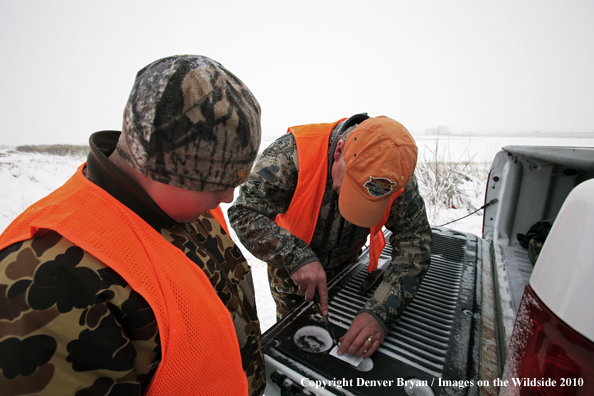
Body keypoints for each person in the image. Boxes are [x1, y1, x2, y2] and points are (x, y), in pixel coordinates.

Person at [0, 55, 265, 395]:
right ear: (163, 167)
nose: (228, 196)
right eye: (217, 183)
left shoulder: (188, 209)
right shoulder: (46, 279)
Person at [229, 113, 432, 359]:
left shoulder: (394, 176)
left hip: (347, 276)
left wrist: (381, 312)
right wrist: (294, 254)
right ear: (339, 152)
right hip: (292, 280)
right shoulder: (290, 155)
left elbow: (415, 243)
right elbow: (244, 212)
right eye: (349, 191)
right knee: (295, 355)